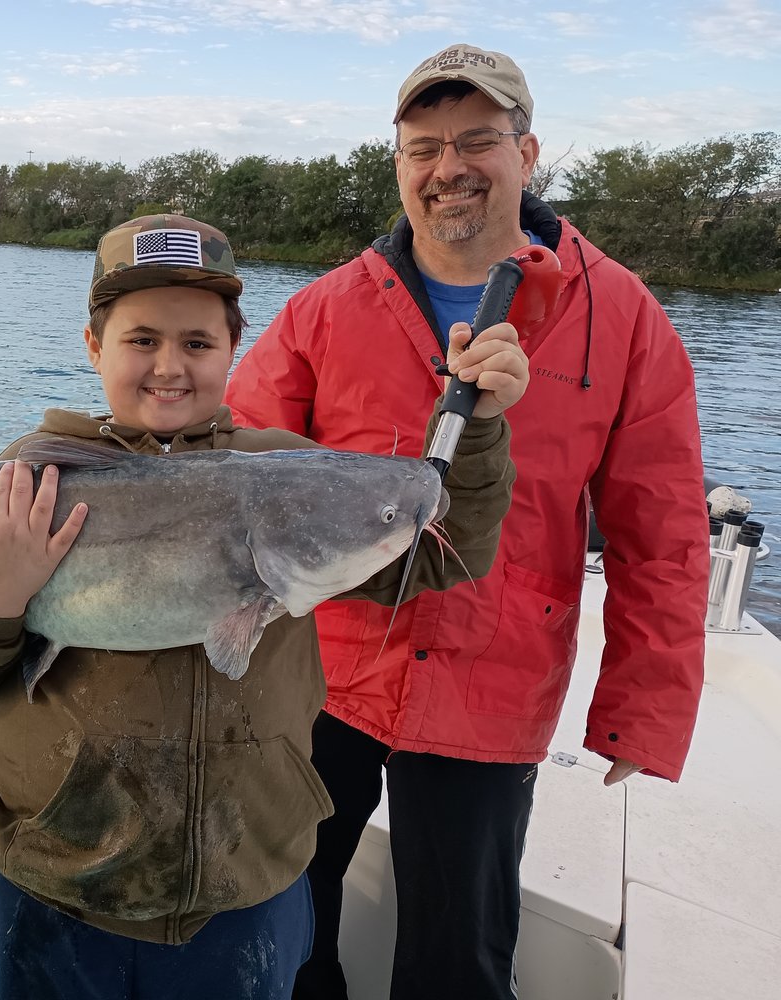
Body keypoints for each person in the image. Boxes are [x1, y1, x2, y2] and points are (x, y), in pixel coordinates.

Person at [0, 212, 529, 999]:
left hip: (243, 895)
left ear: (235, 349)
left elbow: (433, 547)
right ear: (94, 347)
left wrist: (483, 428)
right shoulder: (25, 489)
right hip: (40, 888)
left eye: (198, 343)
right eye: (141, 340)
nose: (170, 366)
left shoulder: (297, 476)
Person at [225, 42, 710, 1000]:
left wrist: (641, 715)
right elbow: (227, 468)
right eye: (423, 148)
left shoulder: (621, 316)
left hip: (494, 688)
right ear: (399, 165)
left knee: (462, 962)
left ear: (529, 156)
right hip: (326, 670)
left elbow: (662, 528)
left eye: (478, 140)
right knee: (282, 929)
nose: (449, 167)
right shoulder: (326, 308)